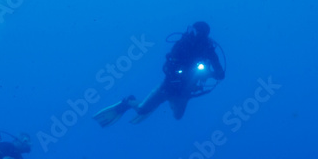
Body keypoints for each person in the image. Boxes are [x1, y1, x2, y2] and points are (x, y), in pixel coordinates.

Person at [93, 22, 225, 126]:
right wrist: (182, 73)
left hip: (185, 92)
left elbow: (219, 71)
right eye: (191, 30)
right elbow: (168, 67)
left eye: (195, 32)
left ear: (203, 35)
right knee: (141, 110)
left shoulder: (208, 50)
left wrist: (212, 74)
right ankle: (128, 102)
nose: (191, 34)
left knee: (178, 117)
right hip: (166, 88)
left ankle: (160, 103)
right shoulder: (181, 45)